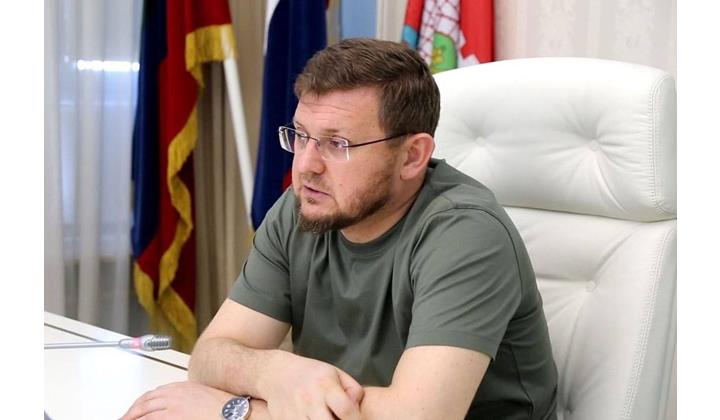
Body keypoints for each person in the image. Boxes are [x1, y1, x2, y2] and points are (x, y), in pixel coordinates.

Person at [123, 37, 558, 420]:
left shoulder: (466, 233)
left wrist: (237, 412)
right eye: (300, 135)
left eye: (337, 144)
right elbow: (211, 355)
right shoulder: (305, 207)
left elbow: (419, 415)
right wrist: (276, 371)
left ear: (412, 156)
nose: (306, 166)